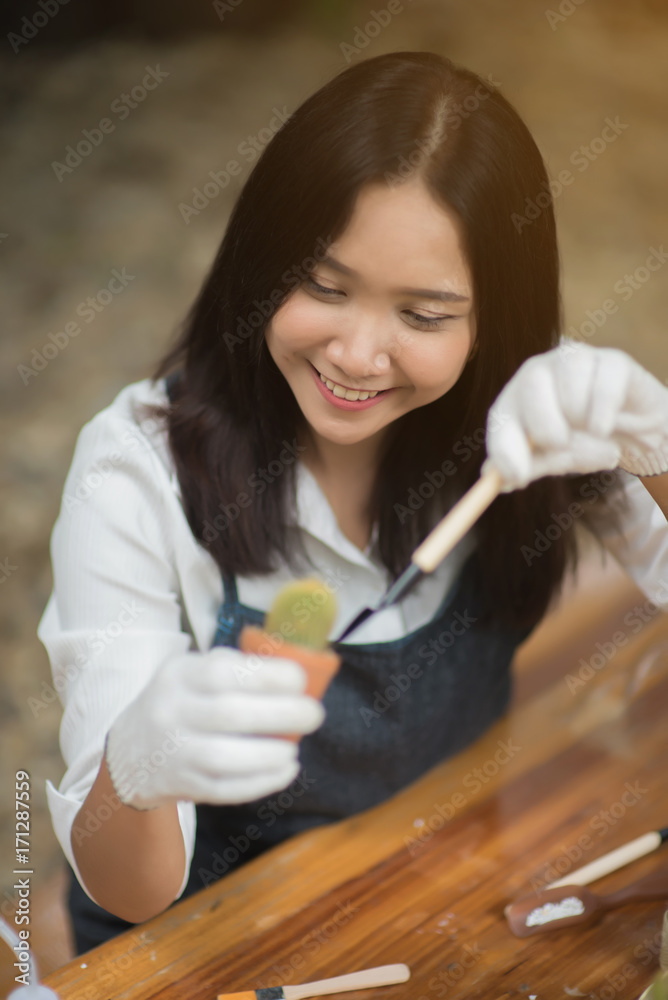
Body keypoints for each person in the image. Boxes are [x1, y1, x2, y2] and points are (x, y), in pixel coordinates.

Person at [37, 50, 668, 955]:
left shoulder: (538, 415)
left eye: (422, 316)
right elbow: (127, 892)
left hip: (429, 907)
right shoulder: (133, 470)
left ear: (494, 320)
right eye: (324, 287)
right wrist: (135, 769)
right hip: (194, 952)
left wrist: (655, 444)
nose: (358, 357)